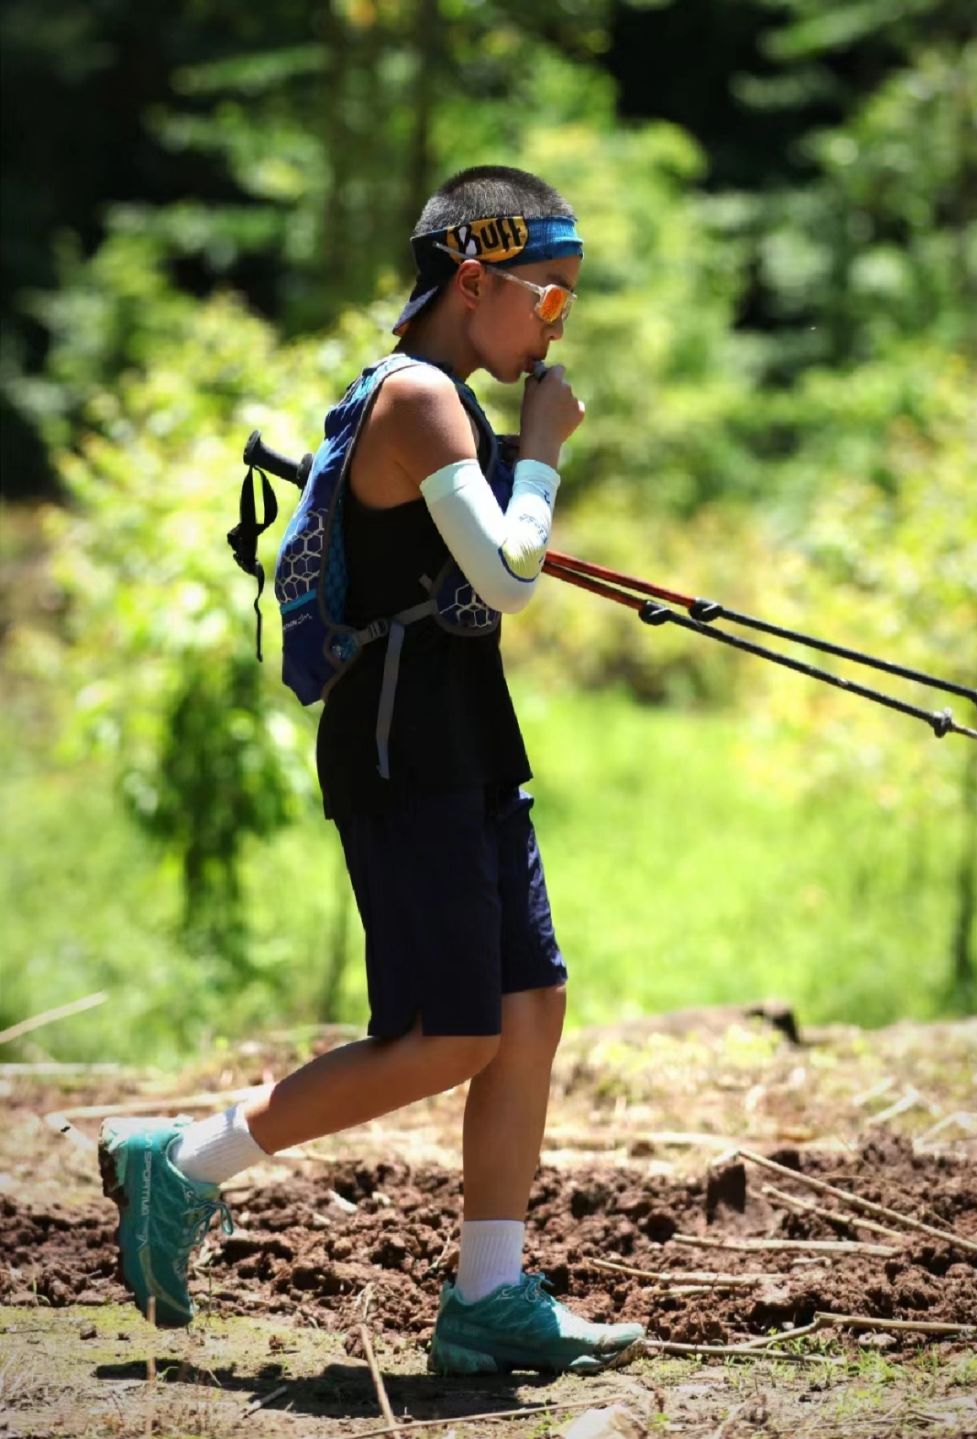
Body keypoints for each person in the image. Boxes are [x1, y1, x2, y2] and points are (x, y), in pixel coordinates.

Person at [99, 165, 645, 1377]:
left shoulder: (444, 400)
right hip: (404, 754)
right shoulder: (417, 402)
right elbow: (506, 575)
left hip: (462, 735)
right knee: (447, 1033)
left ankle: (490, 1297)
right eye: (548, 302)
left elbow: (478, 564)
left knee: (526, 1009)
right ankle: (179, 1165)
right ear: (474, 280)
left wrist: (525, 464)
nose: (559, 327)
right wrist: (544, 451)